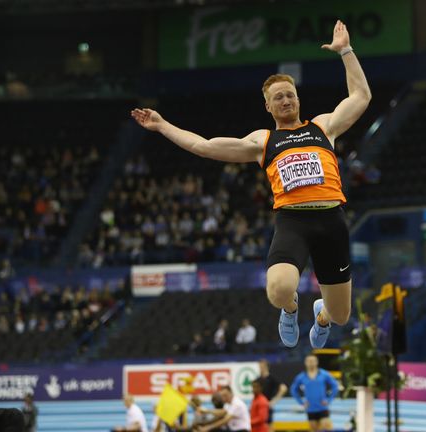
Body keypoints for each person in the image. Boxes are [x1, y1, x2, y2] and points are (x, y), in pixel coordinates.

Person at [131, 20, 370, 349]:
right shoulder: (263, 141)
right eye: (278, 98)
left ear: (298, 99)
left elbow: (360, 95)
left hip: (332, 221)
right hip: (294, 222)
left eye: (290, 95)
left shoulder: (323, 127)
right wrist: (162, 126)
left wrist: (345, 50)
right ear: (268, 106)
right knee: (279, 288)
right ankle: (290, 309)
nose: (286, 101)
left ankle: (322, 315)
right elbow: (205, 146)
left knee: (342, 315)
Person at [290, 354, 338, 432]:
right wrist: (301, 403)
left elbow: (335, 386)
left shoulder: (324, 374)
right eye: (309, 361)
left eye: (313, 361)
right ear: (305, 363)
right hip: (310, 409)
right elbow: (293, 390)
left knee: (327, 427)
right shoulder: (301, 377)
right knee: (314, 430)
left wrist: (329, 400)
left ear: (317, 362)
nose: (311, 363)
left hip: (322, 407)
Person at [255, 360, 287, 431]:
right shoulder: (258, 379)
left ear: (267, 367)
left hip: (267, 406)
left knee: (269, 427)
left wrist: (274, 401)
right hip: (258, 407)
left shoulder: (271, 378)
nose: (261, 368)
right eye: (260, 367)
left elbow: (283, 388)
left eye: (262, 367)